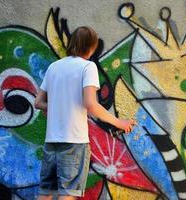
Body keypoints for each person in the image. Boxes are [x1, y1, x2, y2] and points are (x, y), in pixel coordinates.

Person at [34, 26, 136, 200]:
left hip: (51, 142)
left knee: (46, 194)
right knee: (68, 195)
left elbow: (38, 103)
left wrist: (58, 107)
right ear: (91, 47)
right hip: (74, 142)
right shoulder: (87, 67)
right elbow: (91, 104)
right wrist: (120, 123)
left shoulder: (54, 67)